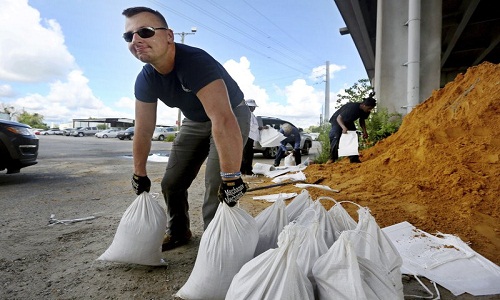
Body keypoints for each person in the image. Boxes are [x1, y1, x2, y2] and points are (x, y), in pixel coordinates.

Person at [122, 7, 251, 251]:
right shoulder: (146, 78)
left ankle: (218, 248)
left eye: (145, 32)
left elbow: (222, 119)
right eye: (129, 36)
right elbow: (144, 128)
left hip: (231, 114)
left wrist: (232, 178)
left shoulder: (195, 63)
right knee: (171, 183)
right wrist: (139, 172)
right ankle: (179, 232)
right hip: (194, 121)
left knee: (218, 185)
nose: (136, 40)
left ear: (169, 36)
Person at [328, 93, 377, 163]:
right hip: (337, 120)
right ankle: (332, 158)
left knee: (353, 137)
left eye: (371, 109)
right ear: (363, 105)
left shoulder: (366, 111)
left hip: (349, 121)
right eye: (369, 108)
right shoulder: (352, 108)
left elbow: (362, 120)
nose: (369, 110)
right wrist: (343, 127)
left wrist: (365, 131)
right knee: (336, 136)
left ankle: (354, 159)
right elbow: (339, 118)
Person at [240, 99, 266, 175]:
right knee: (247, 154)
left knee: (247, 154)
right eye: (253, 107)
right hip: (248, 136)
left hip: (249, 137)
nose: (254, 108)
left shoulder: (250, 114)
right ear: (249, 107)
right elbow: (251, 126)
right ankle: (246, 170)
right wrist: (260, 127)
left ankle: (245, 170)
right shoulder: (247, 114)